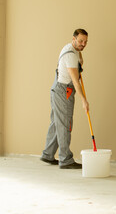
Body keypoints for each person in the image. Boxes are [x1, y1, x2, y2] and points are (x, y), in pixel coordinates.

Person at [40, 29, 89, 169]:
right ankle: (65, 159)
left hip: (57, 88)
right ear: (73, 39)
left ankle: (48, 154)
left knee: (57, 122)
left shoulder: (71, 49)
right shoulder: (71, 56)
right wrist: (83, 100)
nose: (83, 44)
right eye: (80, 41)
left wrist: (80, 60)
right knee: (65, 124)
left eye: (85, 42)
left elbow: (78, 62)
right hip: (64, 91)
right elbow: (75, 81)